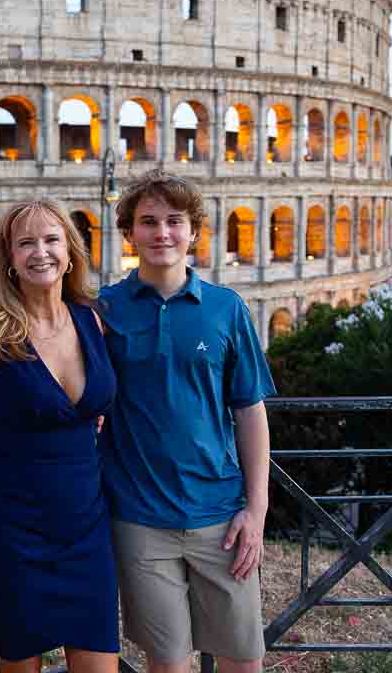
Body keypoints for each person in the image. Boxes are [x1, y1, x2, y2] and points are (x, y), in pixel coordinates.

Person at [98, 171, 275, 673]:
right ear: (129, 232)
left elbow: (250, 412)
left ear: (194, 231)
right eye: (148, 222)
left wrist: (256, 512)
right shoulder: (106, 310)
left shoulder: (225, 308)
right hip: (139, 517)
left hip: (220, 515)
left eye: (174, 222)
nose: (161, 233)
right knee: (168, 663)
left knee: (243, 659)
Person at [0, 199, 119, 673]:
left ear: (71, 251)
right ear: (9, 257)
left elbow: (95, 404)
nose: (41, 252)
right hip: (12, 525)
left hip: (85, 519)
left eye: (52, 239)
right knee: (20, 663)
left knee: (99, 660)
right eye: (26, 243)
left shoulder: (90, 320)